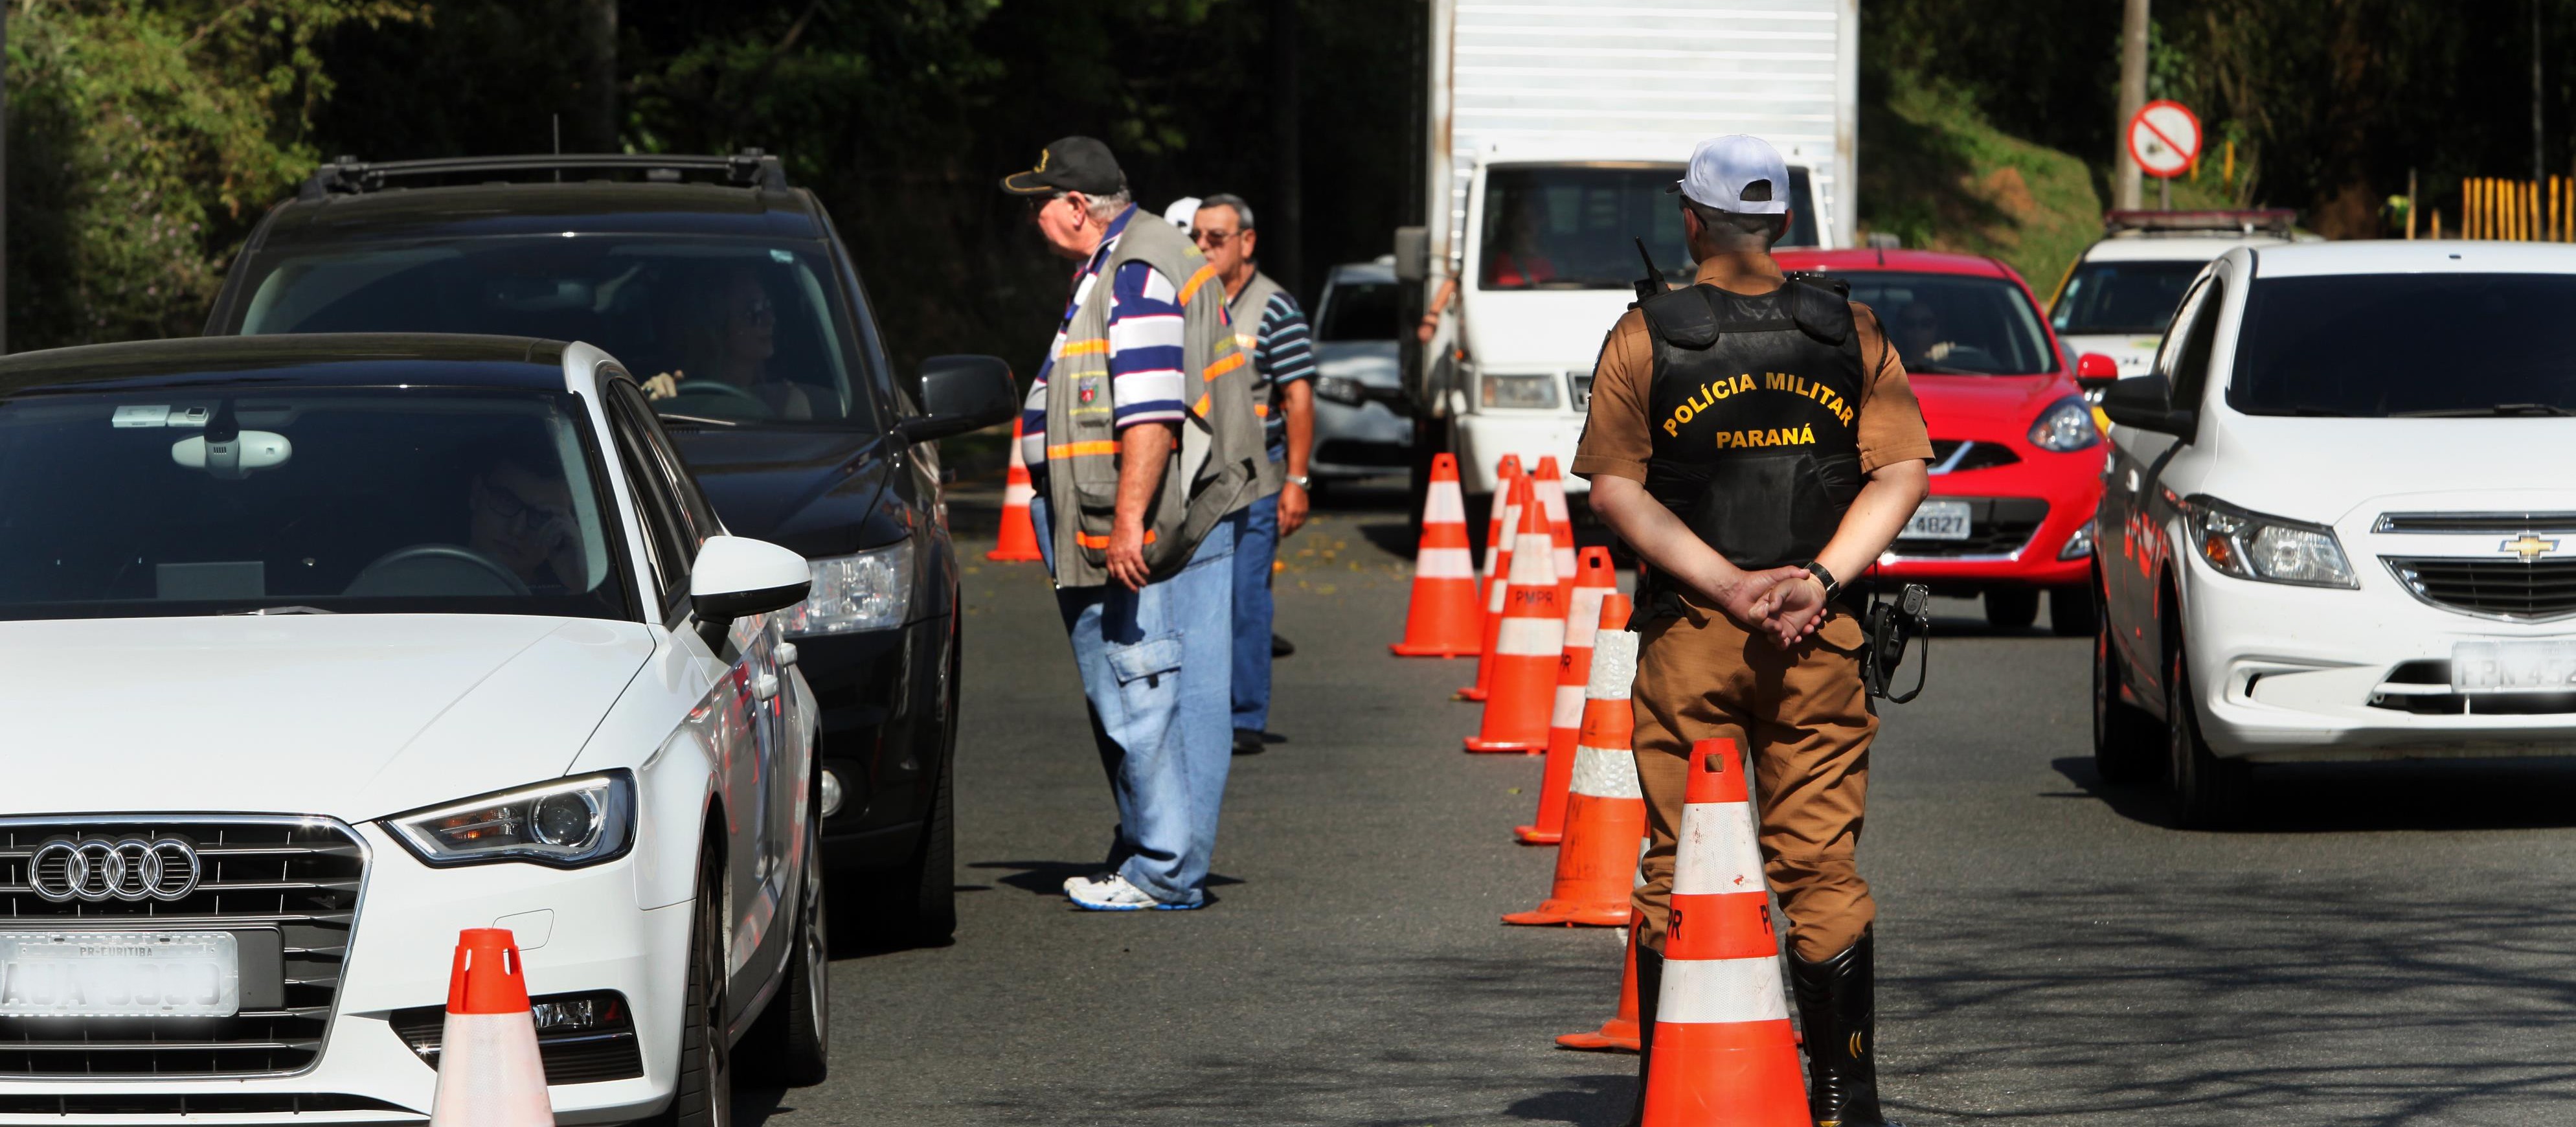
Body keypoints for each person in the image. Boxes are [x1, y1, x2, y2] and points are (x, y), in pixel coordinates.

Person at [1572, 134, 1932, 1127]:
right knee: (1818, 866)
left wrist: (1729, 587)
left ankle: (1676, 1085)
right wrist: (1815, 578)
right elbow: (1902, 472)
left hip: (1692, 634)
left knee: (1672, 859)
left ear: (1691, 221)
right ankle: (1841, 1096)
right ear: (1780, 224)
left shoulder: (1643, 337)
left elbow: (1616, 490)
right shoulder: (1850, 330)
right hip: (1819, 637)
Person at [1000, 136, 1276, 911]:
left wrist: (1126, 524)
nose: (1034, 218)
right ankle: (1156, 852)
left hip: (1150, 528)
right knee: (1159, 687)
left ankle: (1163, 867)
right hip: (1153, 520)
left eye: (1040, 202)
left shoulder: (1136, 269)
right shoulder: (1130, 259)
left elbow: (1150, 412)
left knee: (1152, 686)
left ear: (1078, 206)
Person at [1185, 193, 1316, 757]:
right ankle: (1200, 706)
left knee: (1244, 598)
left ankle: (1244, 716)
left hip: (1256, 483)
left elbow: (1298, 398)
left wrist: (1297, 480)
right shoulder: (1188, 300)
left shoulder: (1274, 308)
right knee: (1193, 598)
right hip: (1194, 481)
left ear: (1247, 242)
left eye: (1216, 237)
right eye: (1197, 235)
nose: (1203, 246)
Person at [640, 265, 816, 420]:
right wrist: (647, 400)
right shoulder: (675, 394)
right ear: (716, 324)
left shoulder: (786, 401)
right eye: (755, 311)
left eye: (768, 306)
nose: (770, 320)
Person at [467, 456, 585, 590]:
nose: (517, 530)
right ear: (476, 493)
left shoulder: (569, 597)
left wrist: (578, 584)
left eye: (541, 516)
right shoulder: (437, 577)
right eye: (506, 501)